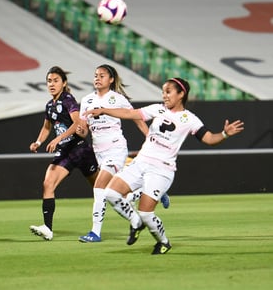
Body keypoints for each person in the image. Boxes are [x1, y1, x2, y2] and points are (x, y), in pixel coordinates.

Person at [84, 77, 244, 254]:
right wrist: (104, 110)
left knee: (146, 213)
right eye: (163, 92)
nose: (164, 96)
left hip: (161, 169)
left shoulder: (190, 119)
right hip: (141, 163)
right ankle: (135, 222)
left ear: (181, 94)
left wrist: (224, 134)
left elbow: (209, 139)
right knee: (110, 193)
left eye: (168, 92)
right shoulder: (157, 109)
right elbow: (130, 114)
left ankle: (164, 242)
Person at [76, 64, 150, 243]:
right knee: (117, 194)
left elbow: (137, 117)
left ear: (111, 80)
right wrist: (80, 130)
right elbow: (84, 130)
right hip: (99, 152)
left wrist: (150, 139)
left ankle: (95, 232)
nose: (97, 78)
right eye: (95, 75)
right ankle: (144, 191)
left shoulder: (117, 98)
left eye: (102, 75)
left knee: (99, 187)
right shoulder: (86, 100)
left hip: (115, 148)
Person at [29, 66, 99, 241]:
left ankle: (129, 205)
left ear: (64, 83)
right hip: (65, 153)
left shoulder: (68, 100)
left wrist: (57, 139)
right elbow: (46, 127)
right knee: (48, 183)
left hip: (81, 150)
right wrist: (38, 142)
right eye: (49, 81)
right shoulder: (49, 105)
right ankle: (47, 228)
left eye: (55, 81)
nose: (51, 84)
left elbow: (77, 124)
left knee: (102, 190)